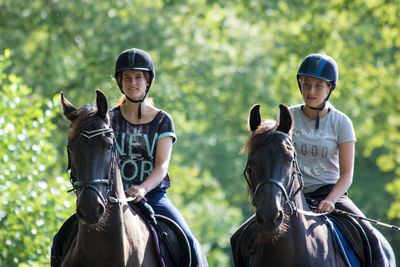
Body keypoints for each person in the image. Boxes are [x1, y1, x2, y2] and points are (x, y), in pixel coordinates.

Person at [289, 52, 386, 266]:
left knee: (371, 239)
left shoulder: (341, 123)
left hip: (329, 194)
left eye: (318, 85)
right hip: (292, 196)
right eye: (306, 84)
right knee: (241, 237)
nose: (310, 91)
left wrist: (331, 200)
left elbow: (347, 173)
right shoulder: (288, 117)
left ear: (330, 88)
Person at [110, 48, 200, 266]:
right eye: (127, 78)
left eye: (138, 77)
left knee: (188, 241)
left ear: (148, 80)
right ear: (120, 82)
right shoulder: (109, 119)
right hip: (114, 197)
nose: (133, 83)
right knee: (63, 238)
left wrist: (142, 188)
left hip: (153, 196)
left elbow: (161, 166)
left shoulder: (162, 120)